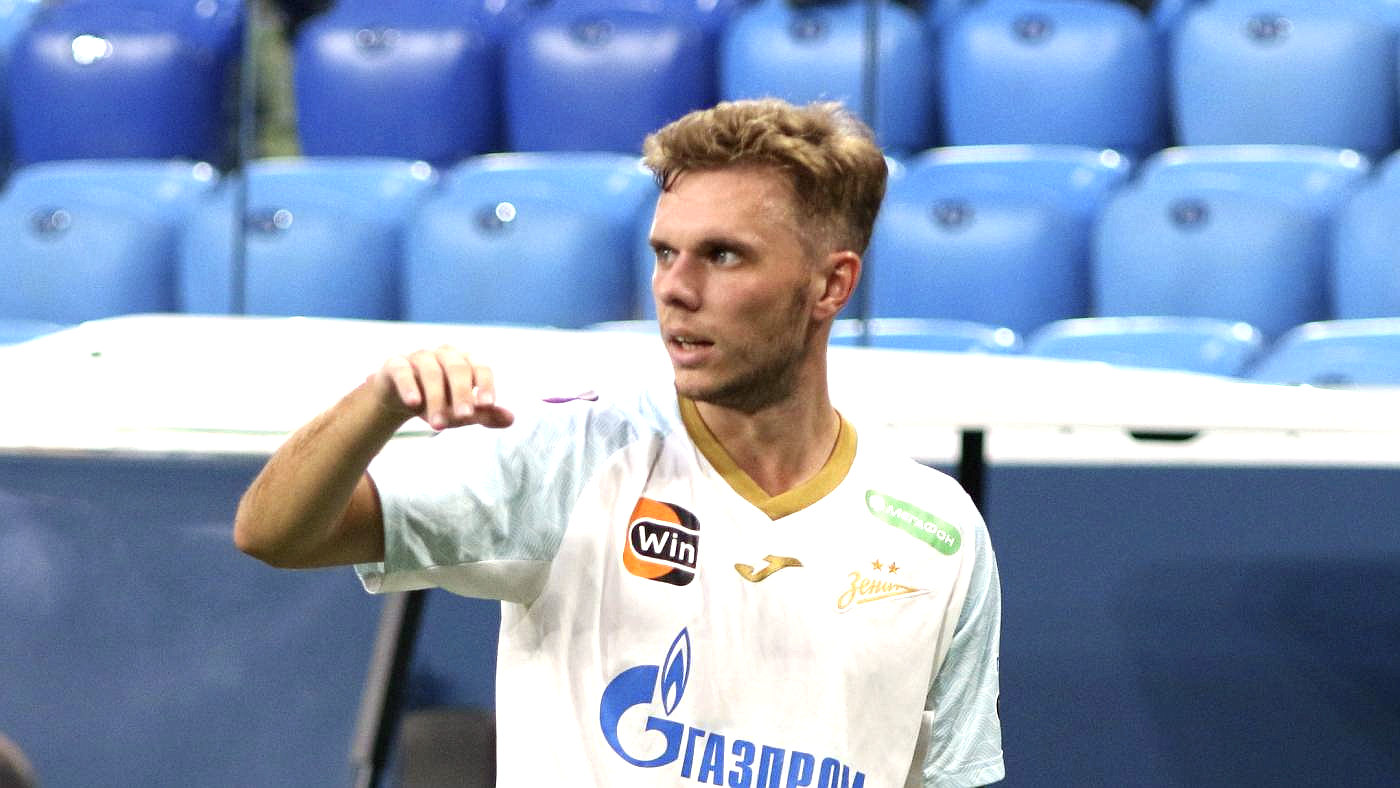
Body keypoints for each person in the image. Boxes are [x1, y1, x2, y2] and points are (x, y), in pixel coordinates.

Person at [235, 98, 1003, 787]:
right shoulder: (573, 451)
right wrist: (376, 405)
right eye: (665, 252)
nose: (674, 288)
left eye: (723, 255)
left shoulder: (939, 533)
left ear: (831, 285)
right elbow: (274, 533)